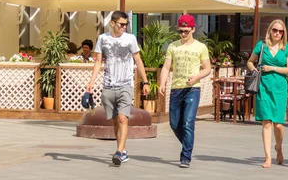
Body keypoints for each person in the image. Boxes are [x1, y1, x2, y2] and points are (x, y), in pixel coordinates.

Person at [86, 10, 149, 167]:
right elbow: (99, 61)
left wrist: (145, 81)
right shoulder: (103, 39)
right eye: (121, 24)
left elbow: (138, 60)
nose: (124, 27)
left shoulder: (130, 39)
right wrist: (91, 82)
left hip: (125, 84)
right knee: (115, 120)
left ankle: (119, 152)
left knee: (122, 118)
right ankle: (122, 149)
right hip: (108, 85)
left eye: (126, 25)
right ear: (112, 23)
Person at [159, 14, 211, 168]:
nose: (182, 34)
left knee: (188, 123)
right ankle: (188, 144)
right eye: (180, 31)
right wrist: (162, 82)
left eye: (186, 31)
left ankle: (185, 156)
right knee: (174, 124)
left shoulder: (201, 47)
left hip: (192, 89)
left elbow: (207, 68)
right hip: (176, 88)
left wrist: (196, 77)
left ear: (193, 30)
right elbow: (167, 66)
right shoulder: (173, 46)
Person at [246, 19, 288, 168]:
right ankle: (267, 157)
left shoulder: (287, 48)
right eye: (275, 30)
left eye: (280, 31)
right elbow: (250, 61)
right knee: (266, 122)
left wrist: (272, 68)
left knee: (278, 125)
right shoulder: (261, 46)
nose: (277, 33)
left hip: (279, 87)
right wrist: (254, 69)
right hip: (264, 86)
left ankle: (278, 147)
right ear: (270, 31)